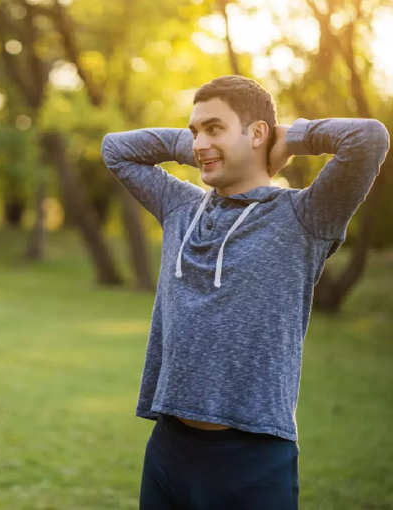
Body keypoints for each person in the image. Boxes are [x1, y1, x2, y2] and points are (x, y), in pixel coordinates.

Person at [101, 75, 389, 509]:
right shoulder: (180, 207)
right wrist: (203, 145)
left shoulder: (304, 217)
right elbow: (116, 150)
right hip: (169, 451)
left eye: (214, 127)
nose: (199, 142)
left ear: (257, 133)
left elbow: (368, 138)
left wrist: (289, 138)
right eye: (195, 130)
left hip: (253, 460)